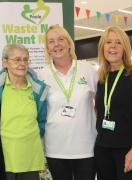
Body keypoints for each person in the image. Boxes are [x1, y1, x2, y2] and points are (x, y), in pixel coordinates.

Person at [0, 44, 49, 180]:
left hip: (30, 163)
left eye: (26, 59)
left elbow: (42, 123)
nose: (22, 64)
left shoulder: (37, 90)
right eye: (17, 59)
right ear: (5, 62)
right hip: (1, 163)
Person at [37, 24, 97, 180]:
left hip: (86, 147)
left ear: (69, 43)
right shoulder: (40, 75)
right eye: (51, 41)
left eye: (60, 39)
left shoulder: (87, 69)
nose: (56, 44)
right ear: (47, 48)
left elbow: (103, 103)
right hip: (55, 148)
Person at [95, 26, 132, 180]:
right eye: (108, 42)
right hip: (103, 148)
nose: (113, 46)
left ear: (125, 47)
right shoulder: (101, 78)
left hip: (126, 150)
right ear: (102, 47)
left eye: (118, 42)